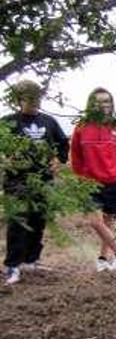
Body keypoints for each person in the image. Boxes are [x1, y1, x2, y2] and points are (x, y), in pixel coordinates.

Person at [2, 80, 69, 285]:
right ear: (19, 99)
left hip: (43, 181)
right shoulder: (8, 122)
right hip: (17, 181)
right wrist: (5, 160)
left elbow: (63, 144)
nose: (34, 103)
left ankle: (31, 261)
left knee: (38, 221)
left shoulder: (49, 122)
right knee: (18, 223)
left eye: (37, 98)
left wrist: (58, 160)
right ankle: (13, 265)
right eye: (29, 98)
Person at [70, 87, 116, 272]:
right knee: (94, 221)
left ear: (111, 104)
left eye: (106, 101)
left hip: (114, 180)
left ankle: (103, 259)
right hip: (90, 182)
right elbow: (75, 155)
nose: (103, 105)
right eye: (98, 102)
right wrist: (81, 175)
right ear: (91, 105)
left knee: (108, 222)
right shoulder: (81, 127)